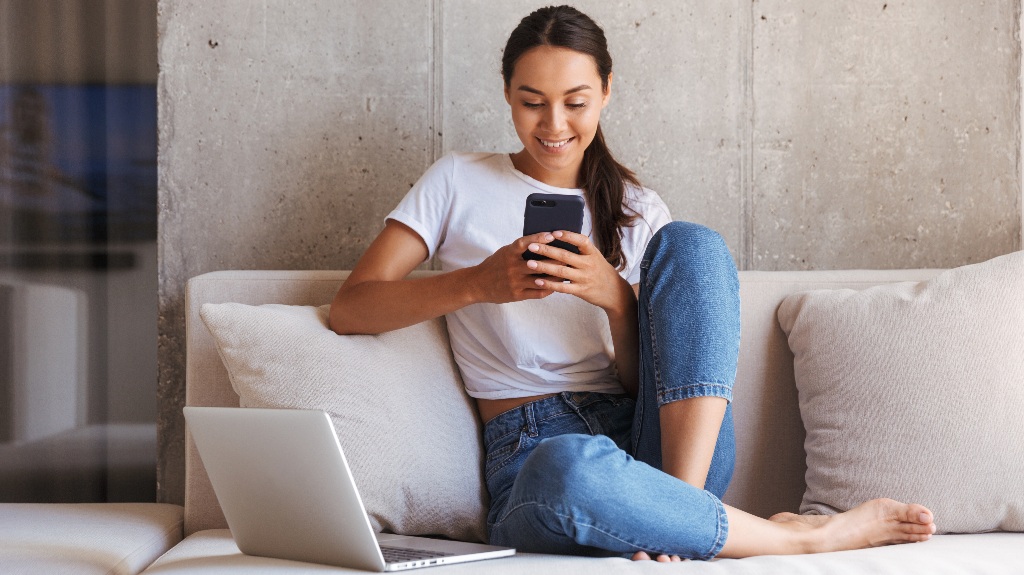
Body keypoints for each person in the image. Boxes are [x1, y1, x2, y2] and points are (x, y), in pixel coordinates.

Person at [329, 4, 936, 562]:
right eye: (531, 101)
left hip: (667, 453)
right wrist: (479, 283)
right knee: (567, 465)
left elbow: (656, 380)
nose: (554, 124)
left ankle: (676, 513)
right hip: (536, 458)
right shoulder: (457, 180)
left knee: (695, 243)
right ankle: (787, 536)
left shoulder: (641, 210)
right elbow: (351, 308)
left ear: (607, 92)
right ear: (507, 95)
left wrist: (616, 299)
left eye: (576, 100)